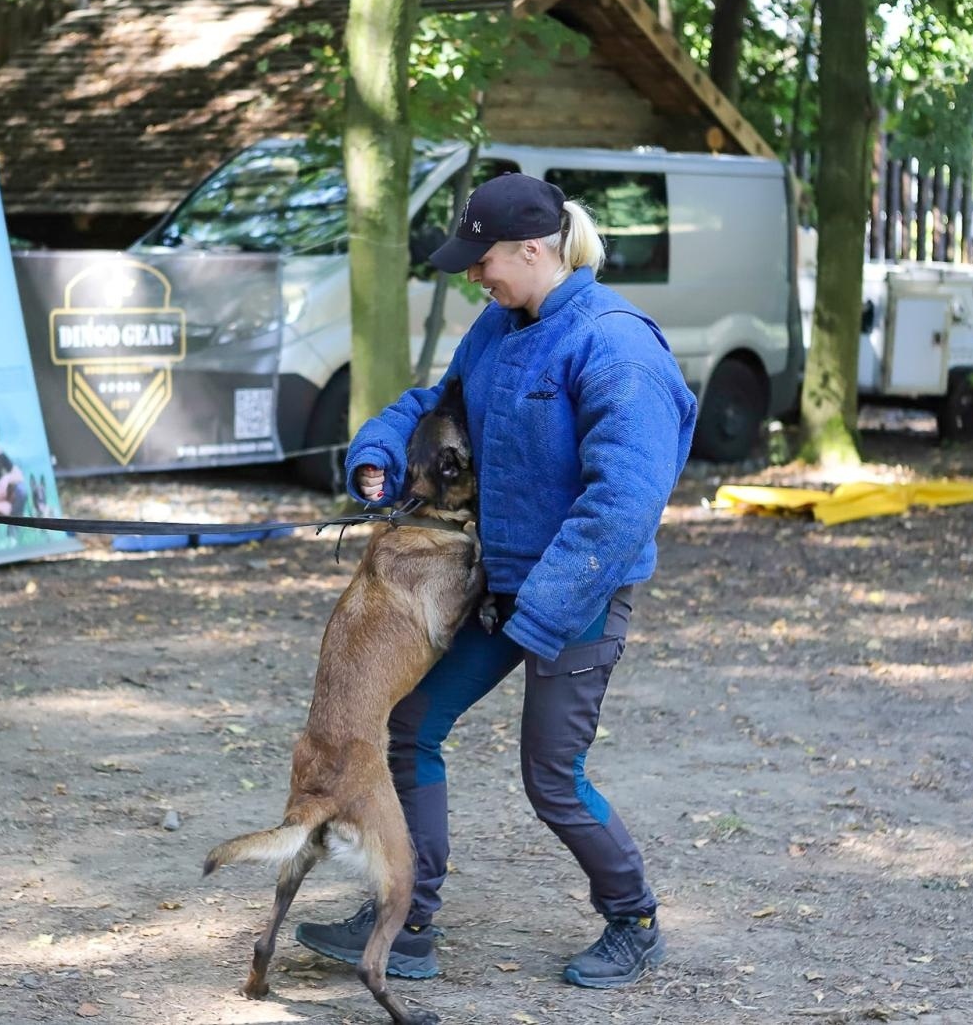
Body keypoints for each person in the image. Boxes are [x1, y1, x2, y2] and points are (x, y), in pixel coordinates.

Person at [294, 173, 697, 990]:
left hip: (578, 594)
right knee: (413, 721)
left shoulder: (615, 346)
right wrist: (375, 454)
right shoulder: (499, 325)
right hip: (498, 584)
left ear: (535, 250)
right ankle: (408, 920)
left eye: (486, 262)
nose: (476, 276)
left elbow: (622, 502)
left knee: (551, 773)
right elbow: (432, 401)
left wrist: (542, 610)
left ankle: (635, 917)